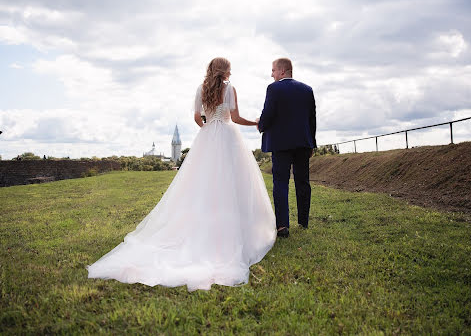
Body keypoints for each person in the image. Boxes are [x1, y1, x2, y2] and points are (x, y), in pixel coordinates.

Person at [88, 57, 276, 291]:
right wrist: (256, 123)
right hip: (228, 137)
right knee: (232, 183)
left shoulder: (201, 88)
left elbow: (198, 118)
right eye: (229, 68)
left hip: (207, 138)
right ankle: (232, 227)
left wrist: (209, 129)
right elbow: (235, 118)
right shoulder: (230, 89)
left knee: (202, 184)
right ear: (225, 70)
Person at [257, 58, 316, 238]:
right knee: (303, 181)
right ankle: (303, 221)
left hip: (281, 144)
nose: (271, 74)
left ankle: (283, 226)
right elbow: (312, 119)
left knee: (281, 182)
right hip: (303, 143)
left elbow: (268, 113)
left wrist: (261, 125)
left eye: (273, 70)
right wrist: (312, 142)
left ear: (282, 71)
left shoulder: (273, 88)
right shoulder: (307, 89)